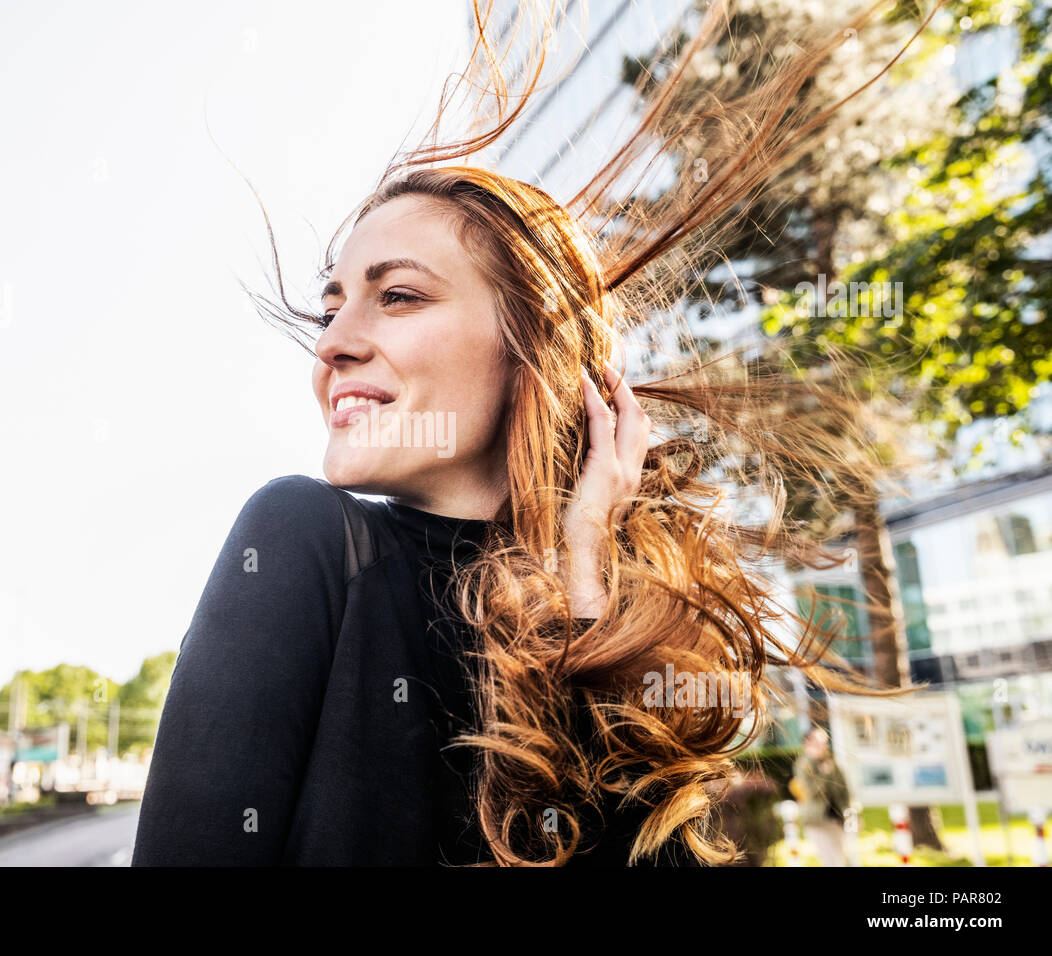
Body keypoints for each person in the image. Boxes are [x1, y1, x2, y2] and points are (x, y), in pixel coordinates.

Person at [132, 0, 938, 867]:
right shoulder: (303, 541)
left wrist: (584, 568)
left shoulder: (617, 615)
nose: (332, 343)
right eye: (332, 308)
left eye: (397, 295)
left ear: (532, 353)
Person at [791, 726, 852, 866]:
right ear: (808, 743)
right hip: (817, 820)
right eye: (819, 742)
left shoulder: (831, 762)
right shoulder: (803, 765)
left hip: (836, 818)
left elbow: (843, 789)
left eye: (825, 742)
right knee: (831, 860)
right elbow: (811, 792)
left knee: (840, 859)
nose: (823, 746)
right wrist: (823, 774)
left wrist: (848, 811)